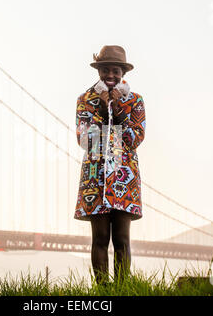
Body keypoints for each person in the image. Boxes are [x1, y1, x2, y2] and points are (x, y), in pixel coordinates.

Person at [74, 45, 146, 285]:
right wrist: (104, 111)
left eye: (115, 70)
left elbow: (134, 139)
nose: (111, 76)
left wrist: (119, 112)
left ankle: (123, 290)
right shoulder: (85, 100)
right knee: (100, 238)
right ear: (99, 71)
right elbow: (85, 141)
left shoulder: (135, 101)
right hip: (96, 177)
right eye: (106, 70)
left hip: (124, 177)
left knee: (122, 239)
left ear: (123, 72)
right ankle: (103, 292)